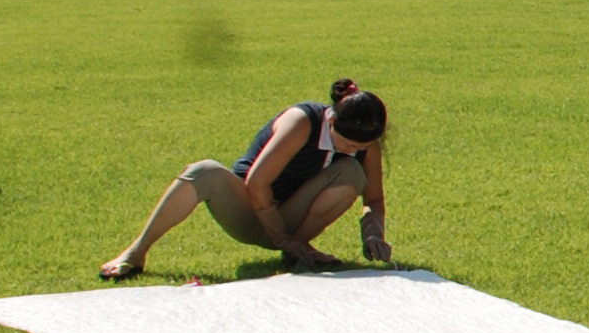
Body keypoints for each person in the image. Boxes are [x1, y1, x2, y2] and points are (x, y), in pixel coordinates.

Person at [101, 79, 390, 279]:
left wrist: (373, 234)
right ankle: (136, 252)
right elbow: (257, 183)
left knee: (351, 172)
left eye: (360, 148)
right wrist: (281, 238)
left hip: (292, 218)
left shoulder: (367, 144)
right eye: (347, 143)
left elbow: (373, 200)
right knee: (204, 171)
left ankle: (297, 252)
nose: (352, 150)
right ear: (331, 121)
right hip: (249, 211)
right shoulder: (302, 121)